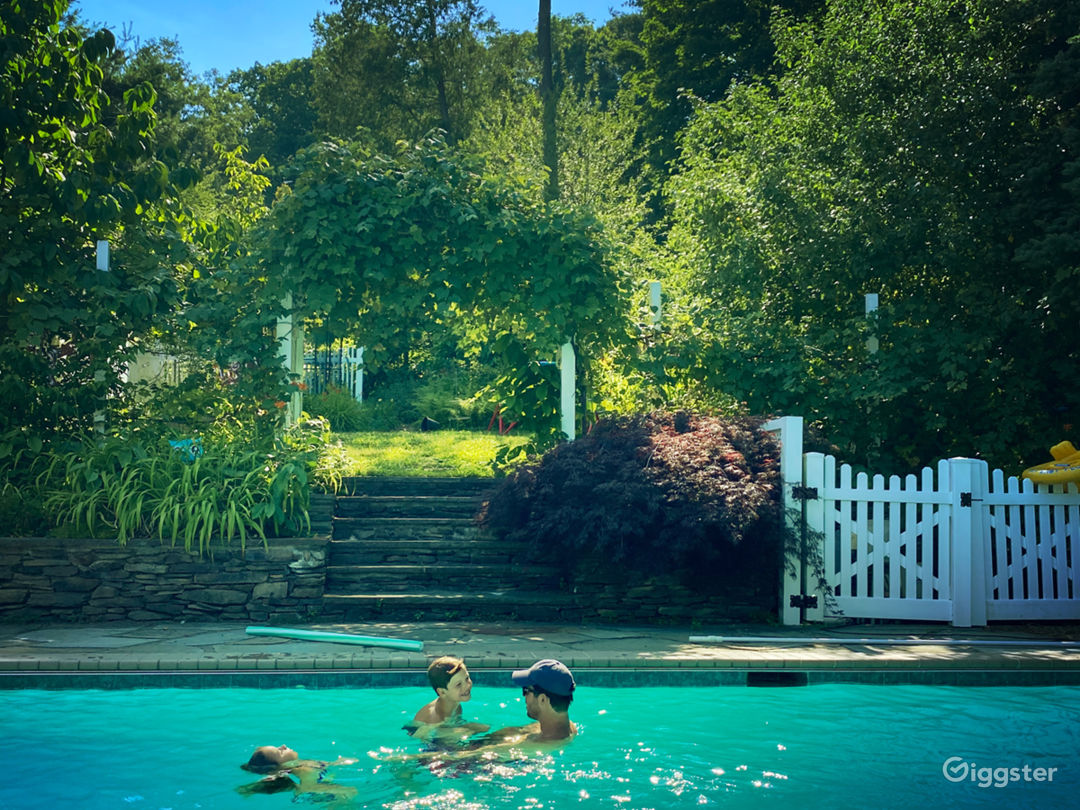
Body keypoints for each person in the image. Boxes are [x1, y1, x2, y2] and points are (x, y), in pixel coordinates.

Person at [237, 744, 357, 803]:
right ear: (281, 765)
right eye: (280, 752)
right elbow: (307, 788)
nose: (283, 746)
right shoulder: (304, 772)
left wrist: (336, 763)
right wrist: (342, 790)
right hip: (326, 797)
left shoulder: (300, 763)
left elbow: (321, 765)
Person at [407, 655, 489, 742]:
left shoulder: (455, 704)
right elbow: (419, 737)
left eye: (467, 678)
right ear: (442, 692)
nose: (467, 685)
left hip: (442, 732)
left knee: (485, 728)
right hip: (428, 742)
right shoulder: (434, 717)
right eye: (458, 685)